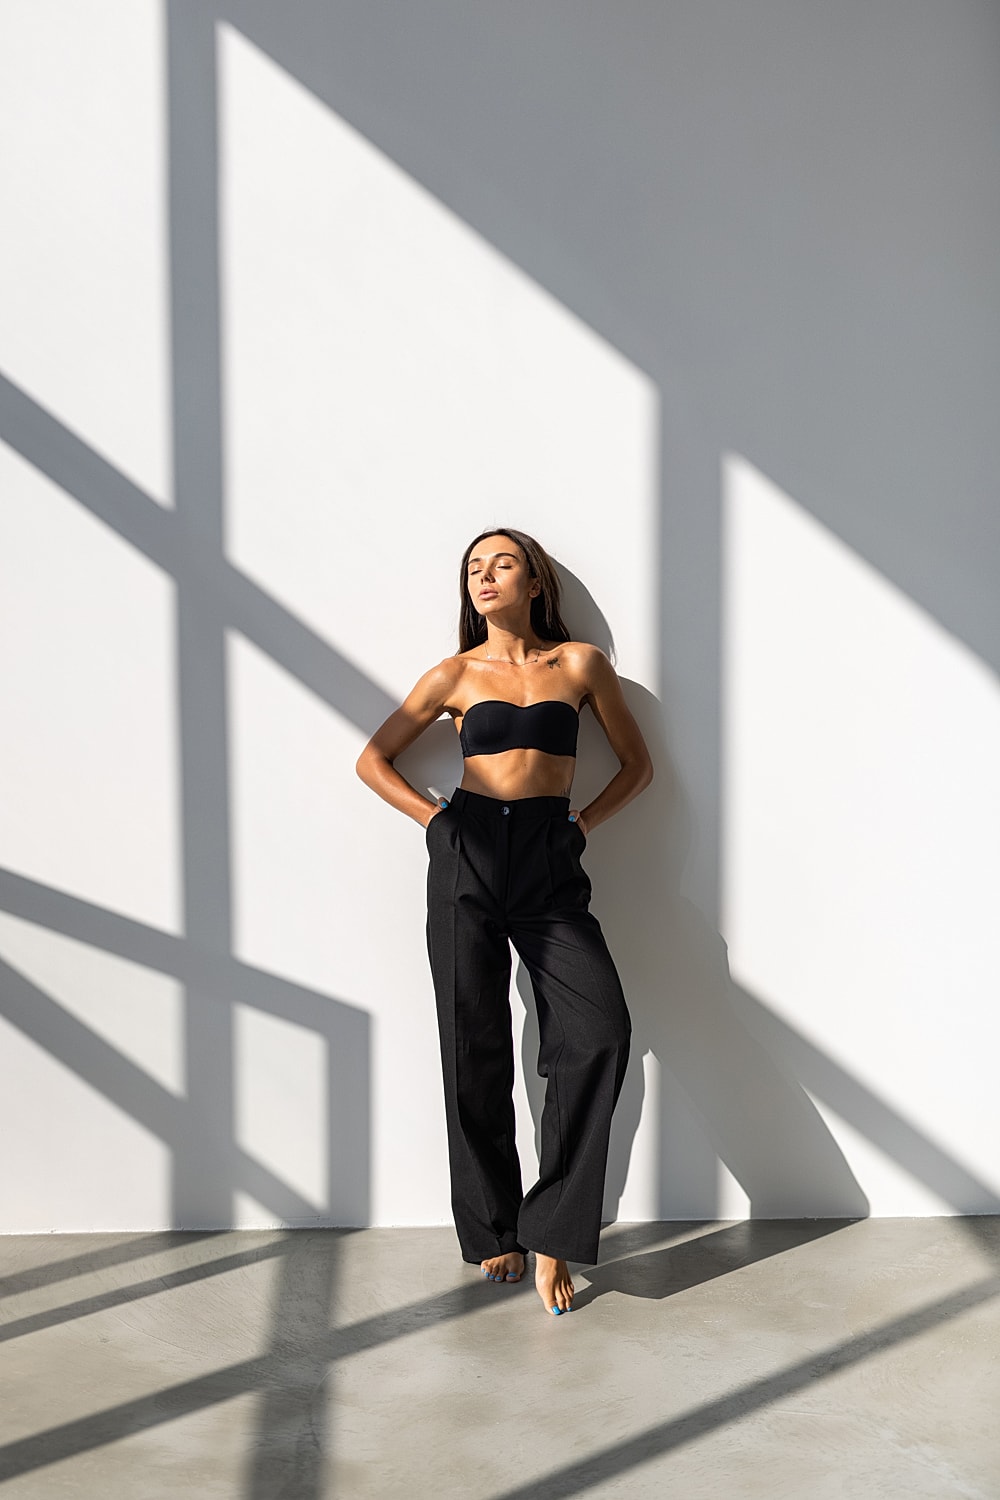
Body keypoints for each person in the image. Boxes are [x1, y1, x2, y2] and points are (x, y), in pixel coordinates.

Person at [355, 527, 653, 1315]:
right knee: (473, 1040)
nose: (485, 577)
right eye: (473, 569)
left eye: (502, 564)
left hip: (551, 855)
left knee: (599, 1033)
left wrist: (581, 825)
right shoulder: (452, 674)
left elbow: (638, 765)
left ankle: (553, 1227)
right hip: (468, 851)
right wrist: (435, 822)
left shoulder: (580, 664)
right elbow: (373, 759)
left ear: (533, 581)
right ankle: (492, 1227)